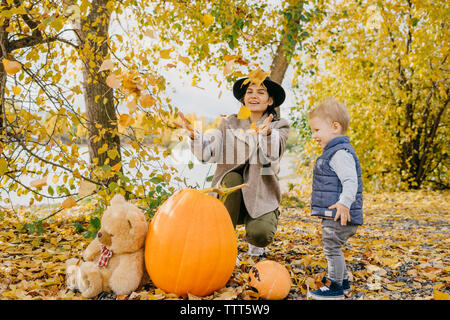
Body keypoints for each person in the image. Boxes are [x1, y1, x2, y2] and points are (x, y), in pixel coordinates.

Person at [174, 76, 290, 259]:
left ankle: (256, 242)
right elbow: (208, 154)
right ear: (243, 98)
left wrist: (266, 134)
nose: (254, 96)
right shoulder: (229, 123)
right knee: (232, 178)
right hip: (231, 195)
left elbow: (273, 154)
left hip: (261, 192)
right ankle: (225, 245)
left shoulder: (278, 126)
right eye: (249, 92)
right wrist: (194, 136)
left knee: (261, 235)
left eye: (260, 92)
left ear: (270, 100)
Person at [307, 98, 363, 300]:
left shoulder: (339, 153)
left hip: (339, 213)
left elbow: (350, 181)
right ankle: (344, 282)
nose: (314, 136)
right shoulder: (334, 152)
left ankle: (335, 286)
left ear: (335, 127)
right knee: (334, 247)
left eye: (316, 130)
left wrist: (344, 203)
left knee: (331, 247)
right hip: (335, 212)